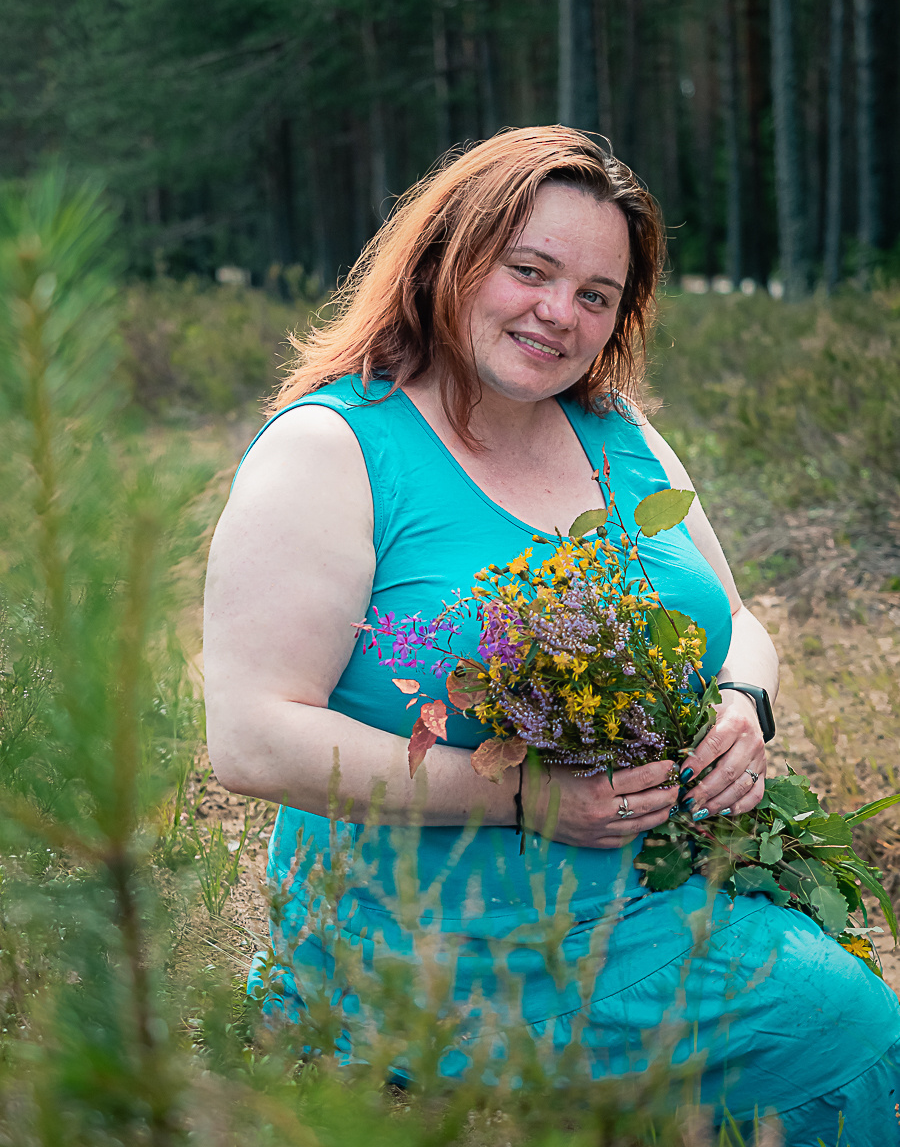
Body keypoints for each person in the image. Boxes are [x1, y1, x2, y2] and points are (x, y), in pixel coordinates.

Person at [203, 126, 900, 1141]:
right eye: (528, 271)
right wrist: (529, 796)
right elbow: (253, 736)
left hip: (643, 895)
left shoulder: (615, 430)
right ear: (447, 256)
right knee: (847, 1022)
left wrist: (743, 701)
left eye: (595, 295)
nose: (557, 314)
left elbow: (738, 619)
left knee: (835, 1004)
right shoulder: (332, 448)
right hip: (437, 943)